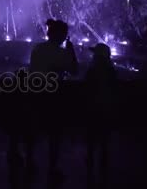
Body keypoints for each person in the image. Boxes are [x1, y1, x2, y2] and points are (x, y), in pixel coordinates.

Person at [8, 19, 78, 174]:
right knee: (54, 132)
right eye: (65, 34)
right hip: (51, 96)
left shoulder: (38, 48)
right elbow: (74, 70)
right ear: (61, 35)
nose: (66, 36)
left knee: (32, 129)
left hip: (34, 92)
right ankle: (52, 168)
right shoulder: (61, 53)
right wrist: (71, 50)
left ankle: (29, 160)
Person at [85, 43, 118, 189]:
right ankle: (103, 162)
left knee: (92, 136)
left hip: (94, 106)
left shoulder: (92, 70)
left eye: (95, 54)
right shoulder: (111, 70)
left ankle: (91, 161)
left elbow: (87, 86)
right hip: (107, 106)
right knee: (104, 136)